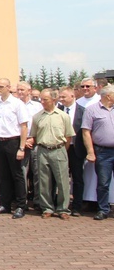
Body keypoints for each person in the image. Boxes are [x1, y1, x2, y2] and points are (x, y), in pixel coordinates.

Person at [29, 89, 74, 219]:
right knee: (44, 181)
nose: (42, 102)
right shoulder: (37, 117)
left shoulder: (63, 116)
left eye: (45, 99)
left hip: (59, 149)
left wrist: (62, 149)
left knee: (62, 181)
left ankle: (63, 208)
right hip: (42, 150)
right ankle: (47, 207)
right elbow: (35, 135)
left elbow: (68, 136)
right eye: (41, 99)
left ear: (54, 100)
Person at [0, 78, 30, 218]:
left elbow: (24, 126)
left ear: (8, 87)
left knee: (17, 175)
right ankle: (5, 204)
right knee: (3, 174)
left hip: (13, 141)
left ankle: (20, 206)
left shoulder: (17, 104)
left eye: (1, 87)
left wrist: (22, 147)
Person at [81, 84, 114, 221]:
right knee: (103, 183)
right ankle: (103, 209)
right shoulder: (91, 110)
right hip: (102, 151)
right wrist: (90, 151)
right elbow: (86, 132)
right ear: (108, 96)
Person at [57, 86, 86, 216]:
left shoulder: (83, 111)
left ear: (72, 96)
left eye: (63, 97)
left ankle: (77, 206)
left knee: (77, 177)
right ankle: (61, 204)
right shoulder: (57, 110)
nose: (61, 99)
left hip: (76, 149)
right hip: (60, 148)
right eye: (60, 97)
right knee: (59, 177)